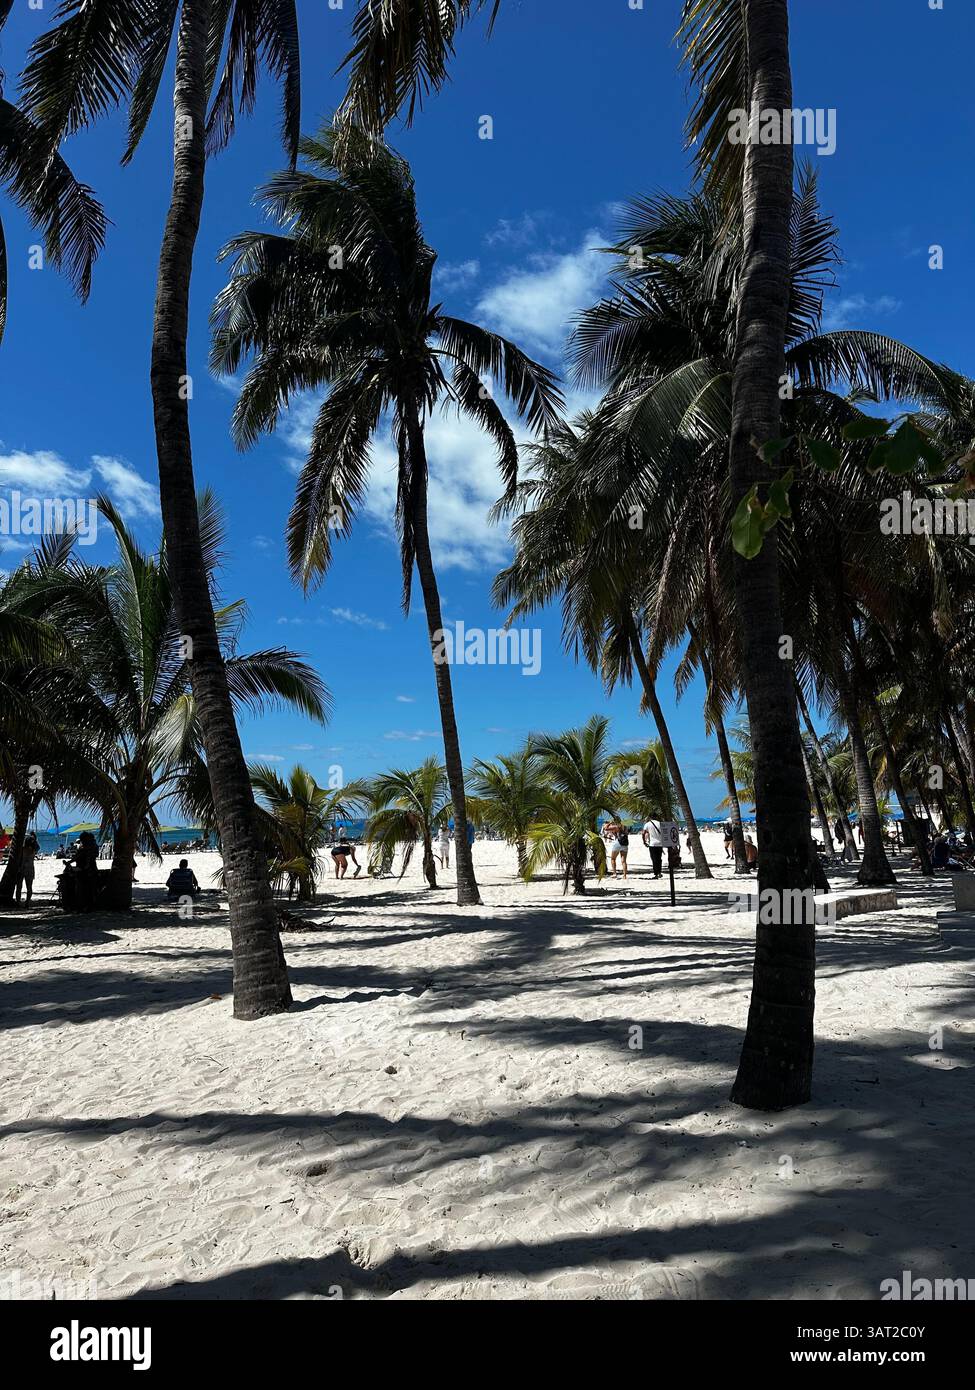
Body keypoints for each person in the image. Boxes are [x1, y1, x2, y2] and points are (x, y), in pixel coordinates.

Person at [16, 830, 39, 905]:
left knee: (19, 887)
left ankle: (18, 902)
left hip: (21, 869)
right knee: (29, 887)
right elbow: (37, 846)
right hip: (30, 869)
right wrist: (34, 838)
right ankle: (27, 903)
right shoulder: (34, 851)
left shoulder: (22, 850)